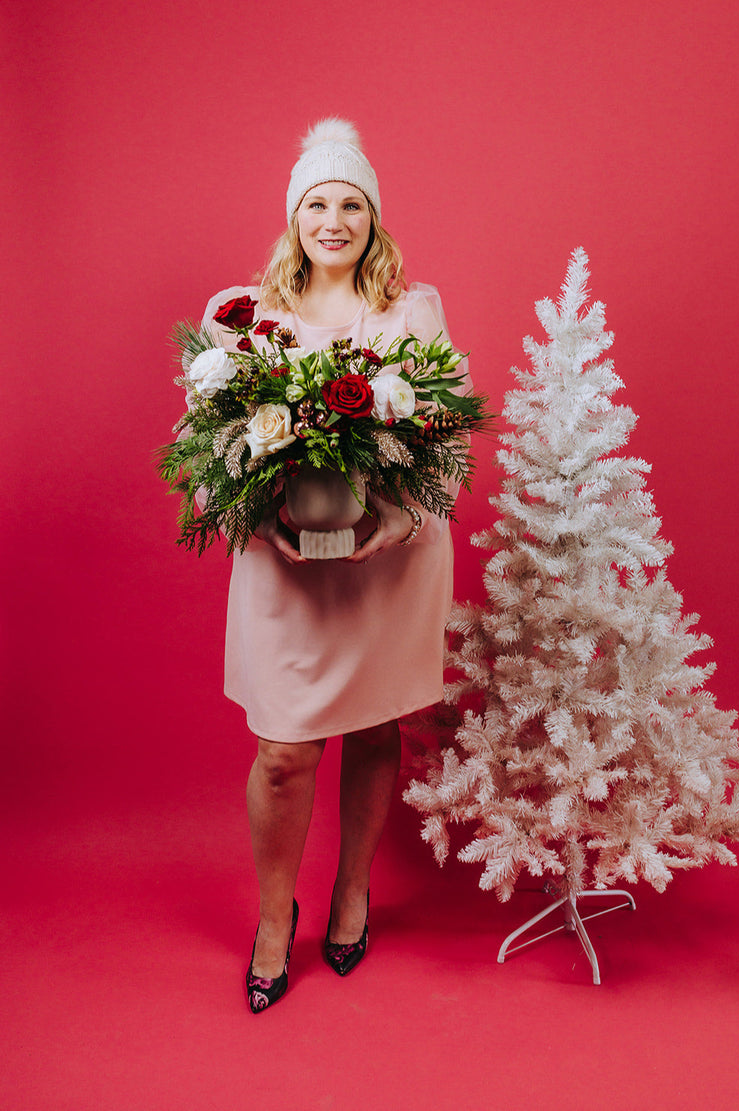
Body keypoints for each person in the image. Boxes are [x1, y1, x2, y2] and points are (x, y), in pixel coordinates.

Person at [200, 119, 464, 1012]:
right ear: (295, 218)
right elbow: (209, 449)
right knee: (284, 751)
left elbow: (444, 440)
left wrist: (403, 518)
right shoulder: (245, 317)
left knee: (377, 727)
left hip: (388, 559)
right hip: (287, 564)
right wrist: (249, 519)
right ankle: (276, 918)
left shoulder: (411, 310)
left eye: (352, 203)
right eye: (318, 202)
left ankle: (353, 892)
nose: (334, 218)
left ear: (374, 220)